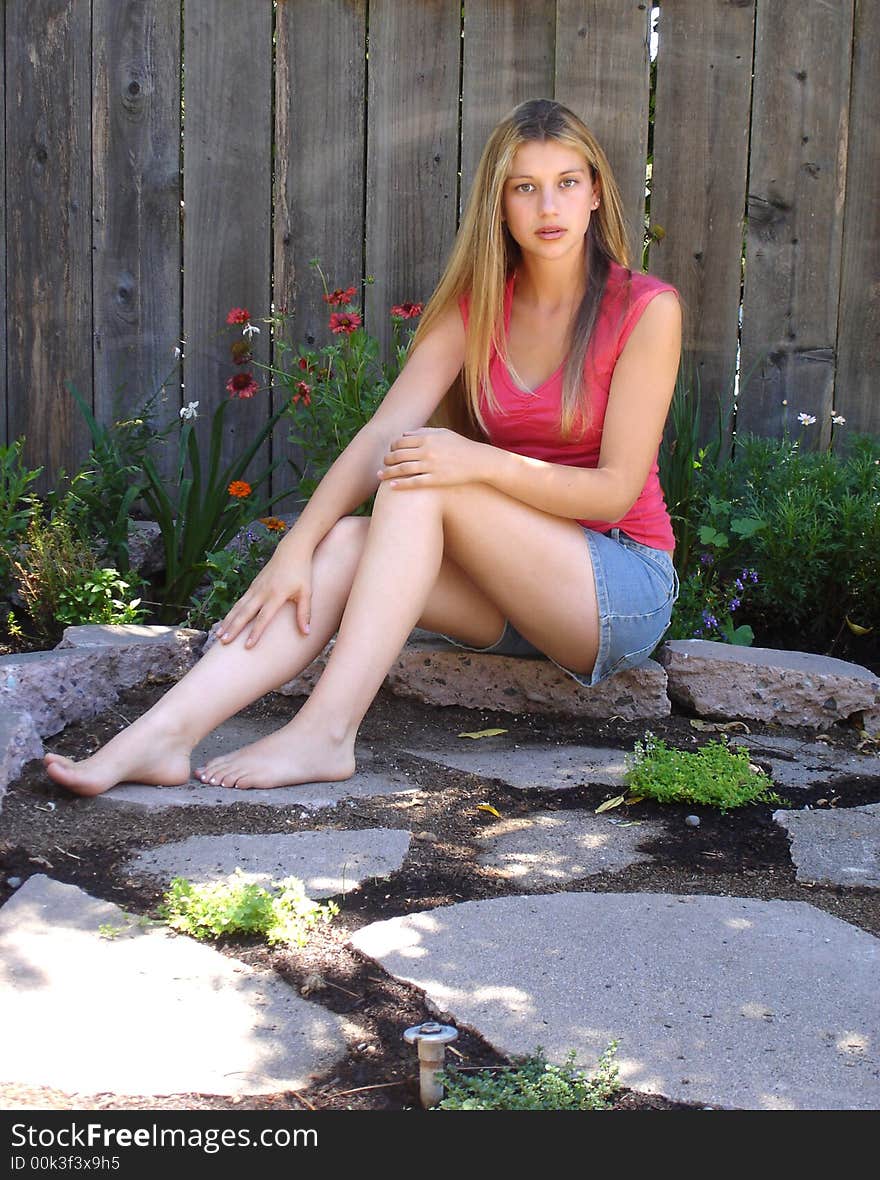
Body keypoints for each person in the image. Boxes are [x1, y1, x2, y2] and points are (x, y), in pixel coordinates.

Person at [44, 98, 681, 797]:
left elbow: (615, 490)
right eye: (525, 187)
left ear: (595, 192)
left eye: (566, 182)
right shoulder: (477, 306)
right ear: (500, 205)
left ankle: (326, 732)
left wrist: (479, 462)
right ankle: (163, 735)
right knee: (350, 539)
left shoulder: (645, 309)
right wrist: (294, 549)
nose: (548, 205)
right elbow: (381, 434)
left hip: (617, 587)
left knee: (428, 468)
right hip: (514, 597)